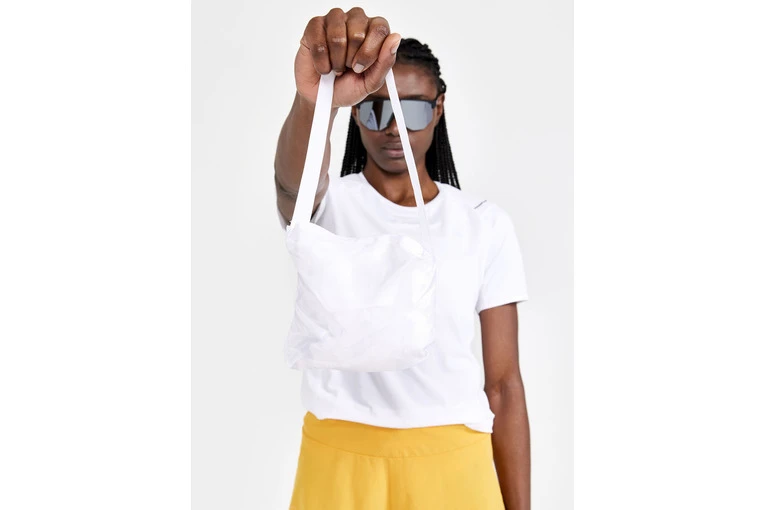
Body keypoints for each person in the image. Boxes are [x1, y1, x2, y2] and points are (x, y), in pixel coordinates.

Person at [274, 7, 530, 510]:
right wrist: (314, 101)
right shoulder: (327, 206)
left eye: (412, 111)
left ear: (438, 108)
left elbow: (503, 385)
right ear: (355, 112)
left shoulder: (483, 223)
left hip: (452, 461)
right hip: (340, 456)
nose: (394, 129)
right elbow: (291, 188)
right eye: (376, 111)